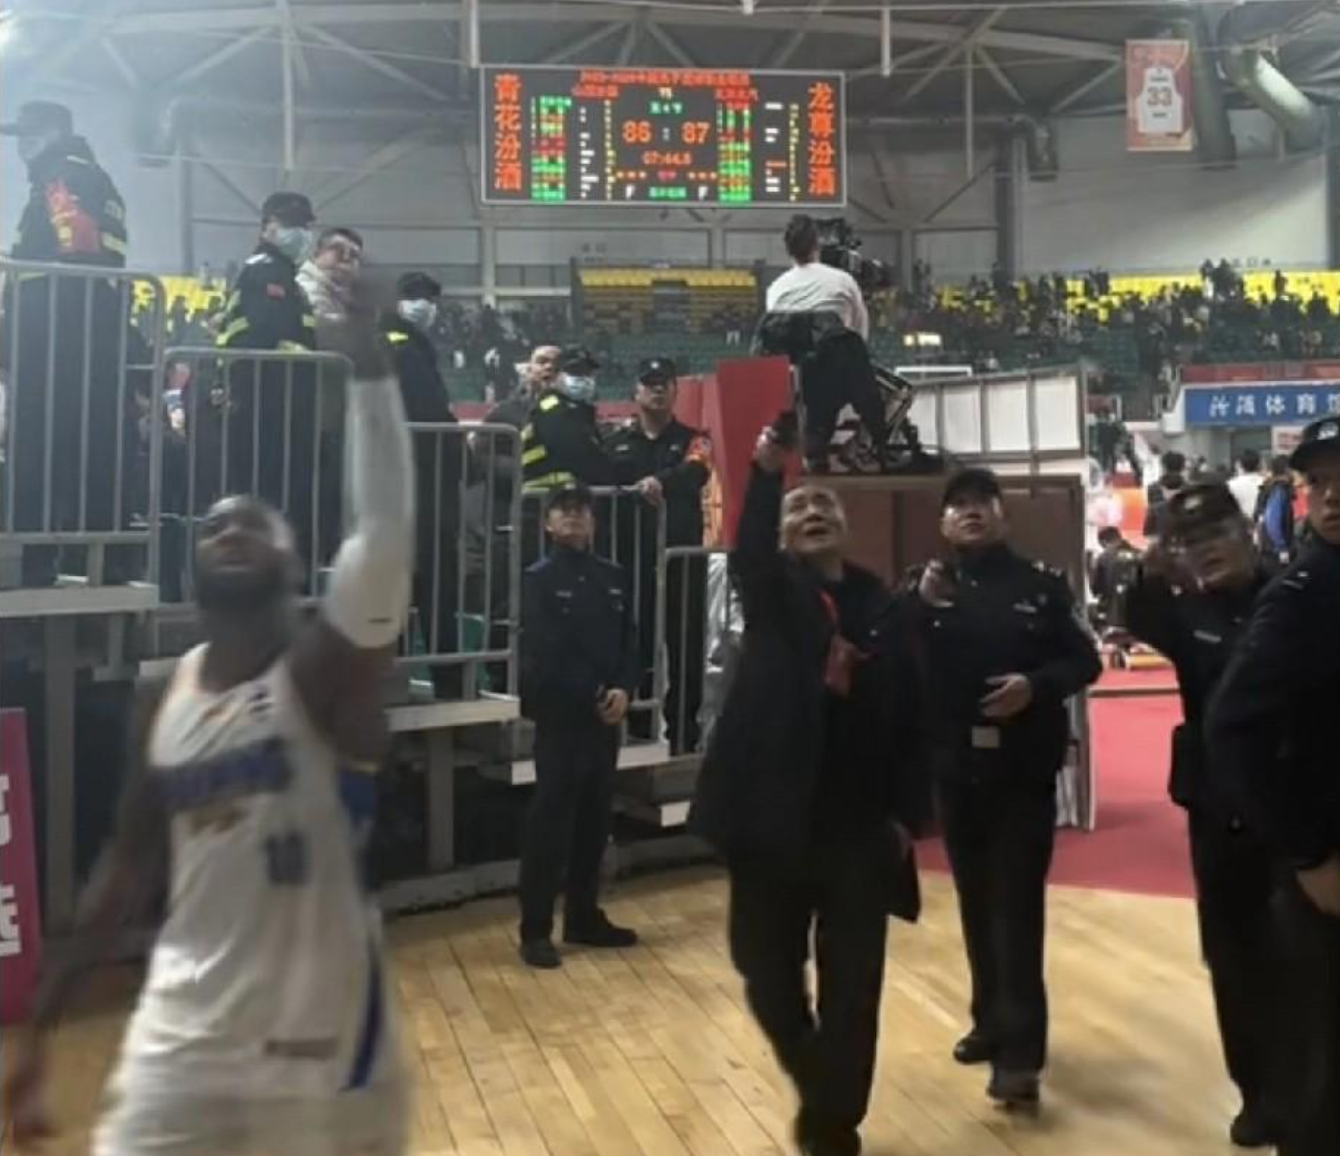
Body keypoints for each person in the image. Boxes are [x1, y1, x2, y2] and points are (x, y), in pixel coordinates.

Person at [2, 279, 414, 1155]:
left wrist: (370, 367)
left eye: (254, 525)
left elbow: (382, 533)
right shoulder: (166, 694)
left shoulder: (326, 674)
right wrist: (40, 1024)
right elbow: (125, 865)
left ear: (296, 565)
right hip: (184, 1033)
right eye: (216, 525)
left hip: (323, 1045)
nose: (230, 531)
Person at [691, 421, 925, 1156]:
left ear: (845, 524)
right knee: (764, 969)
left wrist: (907, 816)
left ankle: (834, 1122)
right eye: (800, 507)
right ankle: (820, 1079)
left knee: (854, 985)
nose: (813, 512)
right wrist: (766, 473)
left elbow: (910, 710)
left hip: (857, 822)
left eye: (825, 504)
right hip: (769, 817)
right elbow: (750, 551)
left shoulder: (880, 603)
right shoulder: (773, 592)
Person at [906, 467, 1100, 1108]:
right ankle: (990, 1021)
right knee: (975, 902)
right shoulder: (925, 587)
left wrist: (1035, 687)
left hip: (1022, 771)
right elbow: (894, 654)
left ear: (1003, 515)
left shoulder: (1040, 587)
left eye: (982, 503)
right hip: (956, 770)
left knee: (1016, 908)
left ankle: (1021, 1055)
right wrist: (918, 606)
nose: (971, 512)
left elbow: (1085, 660)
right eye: (958, 504)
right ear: (943, 522)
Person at [1124, 483, 1282, 1148]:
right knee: (1233, 956)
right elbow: (1136, 611)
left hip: (1291, 805)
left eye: (1216, 533)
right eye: (1191, 541)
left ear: (1247, 532)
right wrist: (1152, 565)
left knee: (1303, 956)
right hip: (1217, 812)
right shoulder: (1185, 614)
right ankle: (1257, 1094)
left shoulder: (1290, 595)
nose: (1206, 549)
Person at [1207, 416, 1340, 1156]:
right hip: (1330, 870)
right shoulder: (1301, 595)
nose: (1332, 494)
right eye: (1319, 481)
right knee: (1321, 1076)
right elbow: (1233, 730)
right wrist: (1306, 853)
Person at [0, 100, 130, 584]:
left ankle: (33, 563)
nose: (22, 144)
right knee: (88, 448)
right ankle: (99, 560)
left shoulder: (61, 178)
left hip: (54, 338)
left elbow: (77, 248)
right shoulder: (90, 176)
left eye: (30, 133)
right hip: (83, 337)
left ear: (56, 132)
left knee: (38, 449)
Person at [517, 482, 639, 969]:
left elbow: (629, 641)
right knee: (550, 824)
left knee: (594, 819)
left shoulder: (613, 576)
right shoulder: (538, 579)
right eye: (563, 511)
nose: (573, 517)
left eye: (582, 510)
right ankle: (535, 929)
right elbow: (548, 650)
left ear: (594, 522)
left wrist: (625, 688)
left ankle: (584, 916)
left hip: (605, 716)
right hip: (562, 714)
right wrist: (596, 693)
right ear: (547, 524)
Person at [204, 192, 323, 558]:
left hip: (275, 397)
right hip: (267, 399)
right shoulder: (267, 271)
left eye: (305, 225)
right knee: (265, 496)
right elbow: (266, 336)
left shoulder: (283, 275)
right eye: (290, 223)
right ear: (267, 227)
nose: (301, 233)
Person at [605, 357, 712, 753]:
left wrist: (660, 483)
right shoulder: (616, 441)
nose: (658, 389)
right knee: (636, 643)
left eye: (665, 382)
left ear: (675, 391)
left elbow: (697, 471)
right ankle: (637, 727)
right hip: (632, 560)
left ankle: (684, 732)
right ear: (635, 391)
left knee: (685, 647)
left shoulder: (695, 439)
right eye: (649, 382)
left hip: (681, 561)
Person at [384, 272, 461, 699]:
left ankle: (400, 679)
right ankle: (444, 682)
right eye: (414, 296)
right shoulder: (401, 346)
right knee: (431, 587)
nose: (424, 305)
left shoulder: (411, 344)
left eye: (430, 299)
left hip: (411, 486)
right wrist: (458, 450)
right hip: (416, 486)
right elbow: (430, 410)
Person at [762, 215, 884, 472]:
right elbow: (859, 337)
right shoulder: (843, 281)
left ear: (788, 250)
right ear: (817, 245)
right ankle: (860, 448)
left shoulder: (775, 289)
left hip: (793, 378)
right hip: (835, 372)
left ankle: (814, 451)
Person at [520, 345, 616, 496]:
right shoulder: (551, 407)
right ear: (557, 375)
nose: (582, 378)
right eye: (574, 372)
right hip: (549, 499)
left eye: (587, 373)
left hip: (565, 498)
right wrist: (614, 473)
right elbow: (579, 456)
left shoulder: (578, 411)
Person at [298, 227, 364, 324]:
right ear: (316, 254)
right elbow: (316, 326)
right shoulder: (305, 288)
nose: (346, 257)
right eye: (338, 249)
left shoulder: (336, 292)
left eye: (354, 254)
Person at [1255, 454, 1296, 562]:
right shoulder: (1279, 490)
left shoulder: (1268, 487)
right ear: (1287, 470)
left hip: (1267, 547)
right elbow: (1273, 520)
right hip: (1276, 551)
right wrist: (1281, 547)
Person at [1144, 450, 1188, 540]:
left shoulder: (1153, 488)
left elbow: (1150, 520)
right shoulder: (1191, 488)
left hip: (1161, 537)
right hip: (1185, 537)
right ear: (1183, 468)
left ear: (1163, 467)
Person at [1228, 448, 1265, 520]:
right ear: (1259, 465)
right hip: (1263, 524)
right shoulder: (1267, 483)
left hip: (1240, 524)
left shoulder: (1231, 485)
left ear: (1240, 465)